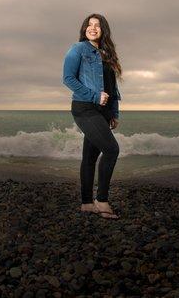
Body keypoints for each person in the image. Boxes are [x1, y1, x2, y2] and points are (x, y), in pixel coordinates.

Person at [62, 13, 122, 219]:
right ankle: (102, 199)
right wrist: (94, 96)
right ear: (84, 29)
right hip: (84, 107)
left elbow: (112, 88)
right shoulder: (78, 49)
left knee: (90, 157)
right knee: (112, 149)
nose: (93, 28)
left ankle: (87, 203)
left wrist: (113, 112)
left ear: (103, 30)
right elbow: (68, 78)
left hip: (103, 111)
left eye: (97, 25)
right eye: (89, 25)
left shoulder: (106, 54)